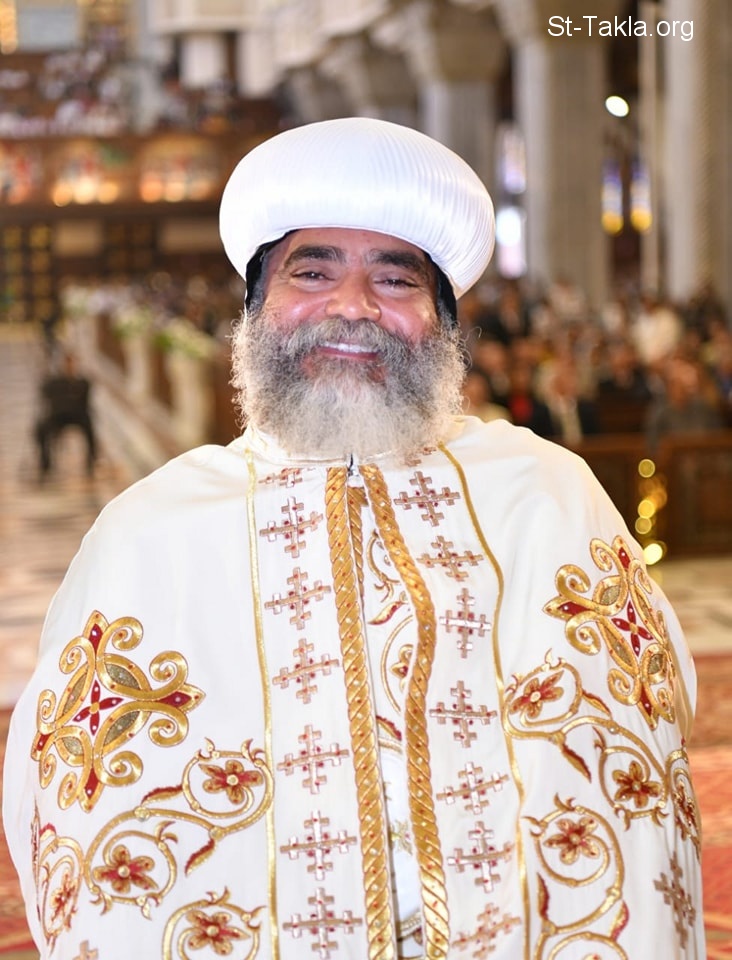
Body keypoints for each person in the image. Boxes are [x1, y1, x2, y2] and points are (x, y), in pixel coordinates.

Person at [3, 118, 704, 959]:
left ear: (443, 322)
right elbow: (75, 817)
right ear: (256, 307)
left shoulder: (546, 496)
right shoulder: (149, 532)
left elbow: (640, 776)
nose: (352, 305)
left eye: (396, 278)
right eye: (313, 270)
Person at [34, 350, 97, 479]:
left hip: (78, 417)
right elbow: (45, 396)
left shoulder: (82, 382)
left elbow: (86, 402)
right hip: (57, 417)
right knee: (40, 429)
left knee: (90, 427)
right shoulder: (54, 382)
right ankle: (45, 464)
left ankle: (91, 462)